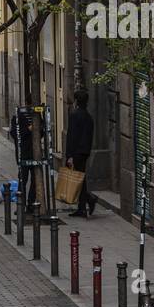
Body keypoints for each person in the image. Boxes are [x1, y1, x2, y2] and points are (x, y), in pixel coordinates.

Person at [64, 89, 97, 217]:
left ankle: (88, 200)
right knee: (80, 178)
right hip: (84, 152)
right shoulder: (88, 117)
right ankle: (82, 206)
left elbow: (71, 137)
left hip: (76, 152)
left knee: (79, 179)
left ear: (77, 101)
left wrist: (69, 155)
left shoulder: (75, 115)